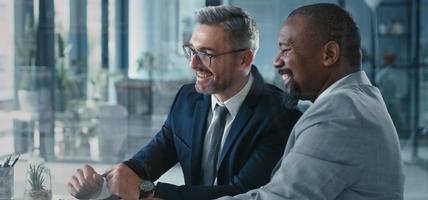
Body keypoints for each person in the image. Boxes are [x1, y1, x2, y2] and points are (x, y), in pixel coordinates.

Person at [67, 5, 301, 200]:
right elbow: (145, 163)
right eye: (191, 51)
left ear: (244, 59)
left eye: (206, 54)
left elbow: (242, 193)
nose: (193, 64)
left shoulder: (281, 114)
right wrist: (100, 185)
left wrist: (148, 192)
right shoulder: (188, 99)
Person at [218, 3, 405, 200]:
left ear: (329, 55)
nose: (276, 61)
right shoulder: (361, 99)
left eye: (286, 50)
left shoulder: (339, 115)